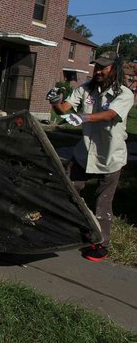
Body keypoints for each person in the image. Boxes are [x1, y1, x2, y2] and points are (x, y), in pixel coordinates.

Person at [47, 51, 133, 261]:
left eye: (104, 67)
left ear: (115, 69)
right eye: (97, 67)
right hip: (84, 153)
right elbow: (65, 110)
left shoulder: (124, 94)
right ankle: (63, 229)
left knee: (103, 203)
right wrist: (56, 101)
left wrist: (82, 116)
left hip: (109, 157)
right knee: (68, 190)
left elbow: (111, 114)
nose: (99, 71)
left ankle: (101, 244)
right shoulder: (85, 89)